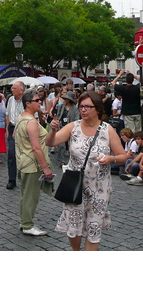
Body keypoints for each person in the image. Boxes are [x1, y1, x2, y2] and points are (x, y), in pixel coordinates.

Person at [47, 91, 126, 250]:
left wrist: (111, 159)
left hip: (99, 189)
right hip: (75, 186)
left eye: (87, 107)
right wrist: (53, 130)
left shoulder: (107, 130)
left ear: (97, 109)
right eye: (81, 106)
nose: (83, 110)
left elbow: (122, 156)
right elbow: (51, 142)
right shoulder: (73, 127)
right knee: (74, 228)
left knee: (94, 228)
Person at [13, 89, 54, 236]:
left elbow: (14, 135)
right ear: (28, 103)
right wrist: (45, 168)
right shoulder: (31, 122)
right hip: (32, 164)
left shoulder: (22, 118)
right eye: (37, 100)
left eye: (40, 100)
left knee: (25, 194)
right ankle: (27, 225)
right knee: (31, 196)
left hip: (23, 161)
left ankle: (24, 222)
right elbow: (36, 148)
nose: (40, 102)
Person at [5, 80, 25, 190]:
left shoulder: (26, 101)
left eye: (14, 88)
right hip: (12, 128)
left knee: (24, 154)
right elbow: (7, 114)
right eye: (12, 88)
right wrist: (7, 129)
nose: (12, 90)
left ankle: (25, 178)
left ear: (21, 90)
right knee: (11, 154)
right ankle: (11, 179)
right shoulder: (10, 99)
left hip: (23, 129)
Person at [52, 91, 79, 167]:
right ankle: (61, 160)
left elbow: (76, 118)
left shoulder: (75, 108)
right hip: (62, 126)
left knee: (71, 145)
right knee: (61, 145)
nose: (65, 100)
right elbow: (58, 115)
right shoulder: (62, 106)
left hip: (70, 127)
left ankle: (72, 160)